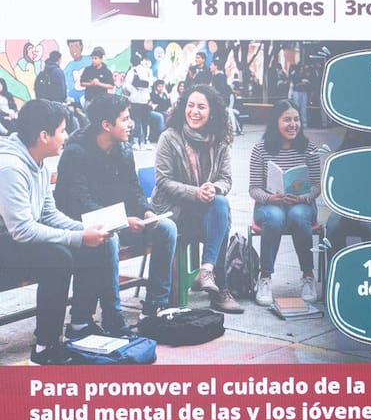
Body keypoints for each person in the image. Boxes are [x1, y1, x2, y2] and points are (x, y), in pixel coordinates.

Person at [0, 100, 117, 363]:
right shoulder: (10, 168)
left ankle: (80, 324)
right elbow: (22, 230)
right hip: (7, 240)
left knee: (94, 245)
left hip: (15, 239)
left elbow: (49, 214)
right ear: (44, 136)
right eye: (62, 130)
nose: (66, 136)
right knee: (58, 257)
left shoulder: (39, 161)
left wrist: (86, 230)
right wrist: (78, 237)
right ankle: (46, 346)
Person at [55, 93, 178, 320]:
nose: (131, 124)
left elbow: (134, 188)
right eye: (125, 119)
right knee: (110, 239)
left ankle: (156, 305)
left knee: (167, 228)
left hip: (119, 222)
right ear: (106, 125)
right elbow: (82, 204)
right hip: (84, 226)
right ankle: (113, 315)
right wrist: (122, 222)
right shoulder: (76, 152)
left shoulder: (123, 148)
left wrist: (146, 211)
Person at [151, 84, 242, 314]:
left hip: (205, 210)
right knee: (221, 220)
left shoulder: (219, 140)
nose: (194, 111)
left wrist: (213, 188)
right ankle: (219, 287)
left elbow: (226, 179)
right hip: (174, 212)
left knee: (220, 204)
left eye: (201, 107)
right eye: (190, 105)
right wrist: (195, 192)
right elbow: (163, 180)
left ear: (212, 112)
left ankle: (207, 270)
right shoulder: (169, 137)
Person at [247, 100, 322, 305]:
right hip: (270, 205)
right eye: (287, 120)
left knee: (298, 215)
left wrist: (303, 197)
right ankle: (265, 277)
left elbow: (317, 186)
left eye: (296, 119)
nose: (293, 124)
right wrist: (270, 198)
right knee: (275, 216)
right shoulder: (260, 149)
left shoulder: (309, 148)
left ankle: (308, 275)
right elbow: (254, 188)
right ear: (275, 122)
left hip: (301, 203)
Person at [124, 53, 162, 147]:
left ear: (131, 62)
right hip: (145, 100)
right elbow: (150, 85)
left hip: (135, 100)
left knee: (136, 121)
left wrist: (133, 92)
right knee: (146, 121)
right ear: (140, 61)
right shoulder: (146, 71)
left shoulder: (131, 72)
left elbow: (127, 86)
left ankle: (136, 141)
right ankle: (145, 141)